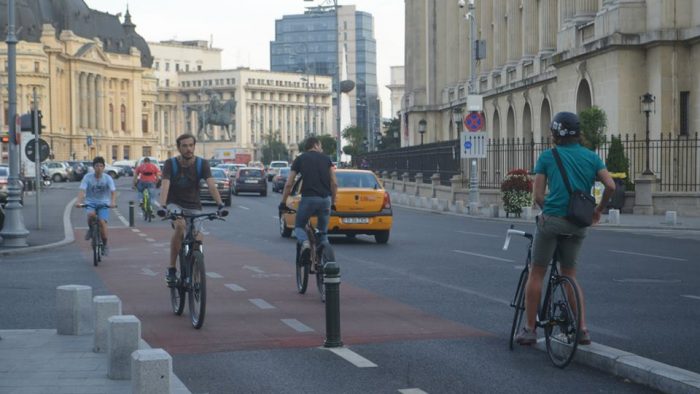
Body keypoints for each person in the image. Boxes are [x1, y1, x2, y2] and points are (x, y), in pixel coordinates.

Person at [515, 111, 615, 346]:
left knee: (536, 272)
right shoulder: (592, 157)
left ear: (555, 133)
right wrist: (598, 209)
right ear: (578, 133)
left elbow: (538, 195)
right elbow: (610, 185)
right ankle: (582, 330)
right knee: (570, 275)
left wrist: (547, 213)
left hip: (552, 221)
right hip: (579, 222)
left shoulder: (548, 157)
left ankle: (530, 330)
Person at [158, 134, 226, 285]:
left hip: (194, 206)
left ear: (194, 146)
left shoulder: (202, 164)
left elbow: (211, 185)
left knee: (198, 237)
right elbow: (165, 185)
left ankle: (194, 265)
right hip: (175, 204)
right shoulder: (171, 164)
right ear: (179, 148)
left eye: (191, 145)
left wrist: (220, 204)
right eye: (184, 146)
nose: (188, 149)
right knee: (180, 226)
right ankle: (171, 269)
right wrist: (163, 206)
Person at [279, 136, 338, 268]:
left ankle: (305, 243)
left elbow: (289, 184)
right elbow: (334, 183)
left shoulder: (299, 159)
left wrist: (283, 203)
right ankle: (327, 261)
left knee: (299, 226)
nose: (321, 148)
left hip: (308, 199)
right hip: (325, 200)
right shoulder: (327, 159)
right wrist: (333, 202)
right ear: (316, 145)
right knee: (322, 233)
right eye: (320, 145)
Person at [75, 156, 117, 256]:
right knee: (90, 215)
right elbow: (82, 190)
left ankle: (105, 244)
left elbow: (113, 191)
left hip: (103, 203)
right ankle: (90, 229)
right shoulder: (87, 177)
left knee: (102, 223)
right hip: (91, 202)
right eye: (97, 166)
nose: (99, 168)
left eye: (101, 166)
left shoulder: (108, 178)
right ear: (93, 167)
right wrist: (78, 201)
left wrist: (112, 202)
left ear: (104, 167)